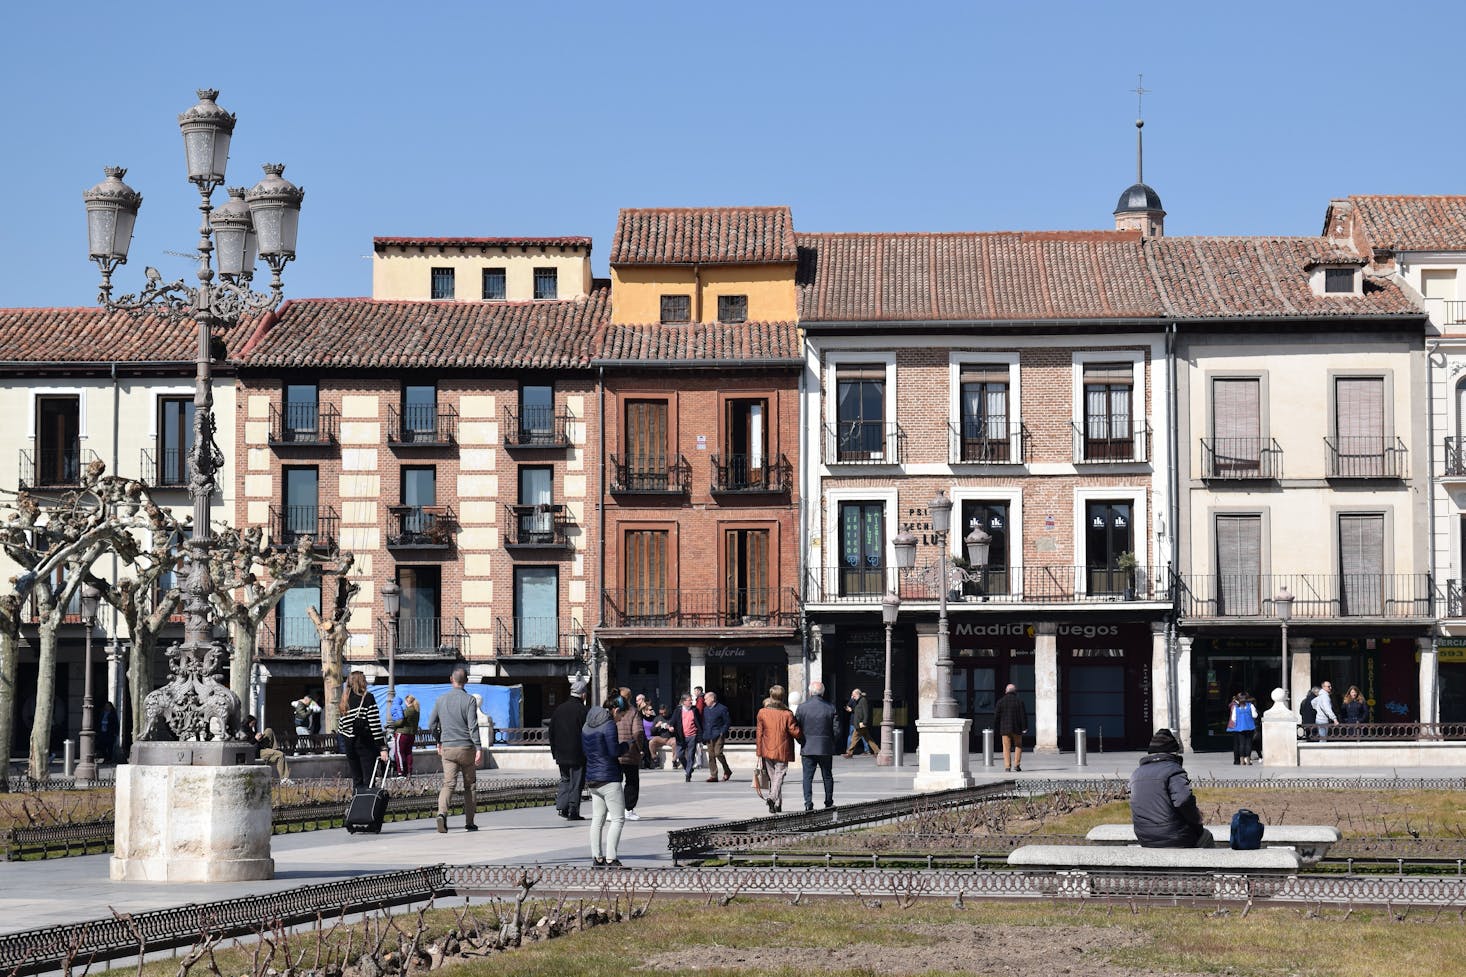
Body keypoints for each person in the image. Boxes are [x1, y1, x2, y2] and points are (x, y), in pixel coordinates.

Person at [1129, 728, 1212, 848]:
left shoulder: (1136, 774)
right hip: (1174, 836)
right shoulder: (1174, 770)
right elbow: (1183, 800)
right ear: (1173, 753)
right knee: (1207, 837)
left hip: (1144, 837)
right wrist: (1197, 819)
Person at [429, 668, 482, 833]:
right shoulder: (470, 700)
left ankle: (442, 814)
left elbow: (431, 724)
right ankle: (470, 822)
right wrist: (478, 747)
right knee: (470, 786)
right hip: (466, 748)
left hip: (448, 748)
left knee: (449, 784)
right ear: (466, 680)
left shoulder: (440, 700)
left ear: (451, 679)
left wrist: (439, 741)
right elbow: (472, 725)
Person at [582, 694, 629, 868]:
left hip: (593, 777)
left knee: (597, 819)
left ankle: (597, 858)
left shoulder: (587, 724)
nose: (620, 719)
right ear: (615, 710)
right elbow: (614, 751)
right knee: (618, 819)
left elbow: (586, 750)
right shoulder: (609, 724)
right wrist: (626, 745)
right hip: (609, 777)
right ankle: (611, 858)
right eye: (621, 715)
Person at [755, 684, 801, 814]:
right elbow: (794, 731)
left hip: (767, 748)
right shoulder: (787, 714)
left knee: (774, 777)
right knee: (779, 775)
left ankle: (777, 803)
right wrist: (803, 735)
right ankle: (772, 798)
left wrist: (759, 750)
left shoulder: (762, 712)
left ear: (771, 696)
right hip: (783, 748)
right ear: (783, 697)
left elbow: (759, 732)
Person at [337, 672, 388, 789]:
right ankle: (368, 805)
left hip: (349, 745)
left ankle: (357, 804)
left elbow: (341, 726)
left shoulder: (345, 700)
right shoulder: (367, 698)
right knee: (369, 779)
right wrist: (382, 747)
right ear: (362, 682)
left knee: (357, 779)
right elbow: (375, 725)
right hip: (365, 743)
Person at [793, 680, 839, 811]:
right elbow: (836, 730)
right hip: (825, 747)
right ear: (823, 693)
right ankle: (829, 801)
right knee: (827, 776)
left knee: (807, 777)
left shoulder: (802, 707)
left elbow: (797, 728)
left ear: (810, 692)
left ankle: (808, 802)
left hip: (808, 747)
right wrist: (831, 742)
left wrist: (802, 741)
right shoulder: (831, 707)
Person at [549, 678, 590, 820]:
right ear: (583, 694)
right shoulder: (583, 711)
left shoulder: (559, 710)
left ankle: (562, 807)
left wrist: (555, 752)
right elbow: (587, 733)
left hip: (561, 754)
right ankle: (573, 810)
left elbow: (551, 733)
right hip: (578, 754)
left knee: (565, 780)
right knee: (576, 783)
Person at [615, 687, 646, 820]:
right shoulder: (633, 712)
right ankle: (628, 809)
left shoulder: (612, 711)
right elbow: (637, 732)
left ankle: (613, 810)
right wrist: (640, 748)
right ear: (630, 697)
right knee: (632, 781)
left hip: (614, 751)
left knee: (614, 782)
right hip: (630, 751)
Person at [993, 683, 1028, 772]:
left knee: (1006, 747)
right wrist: (1024, 727)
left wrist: (996, 726)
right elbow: (1023, 716)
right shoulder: (1019, 701)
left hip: (1004, 729)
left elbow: (996, 716)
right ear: (1015, 692)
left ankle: (1007, 766)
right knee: (1018, 745)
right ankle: (1016, 765)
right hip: (1017, 728)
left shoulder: (1001, 701)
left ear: (1006, 691)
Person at [701, 691, 733, 782]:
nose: (704, 701)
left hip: (718, 734)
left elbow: (727, 722)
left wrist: (722, 732)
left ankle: (727, 770)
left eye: (706, 699)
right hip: (708, 735)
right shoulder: (706, 709)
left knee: (718, 753)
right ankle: (714, 775)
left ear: (712, 698)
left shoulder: (722, 708)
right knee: (711, 756)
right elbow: (705, 722)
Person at [248, 717, 291, 784]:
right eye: (252, 723)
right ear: (248, 722)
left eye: (255, 723)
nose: (254, 725)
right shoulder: (244, 731)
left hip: (260, 746)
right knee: (280, 755)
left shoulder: (252, 729)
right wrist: (255, 739)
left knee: (268, 730)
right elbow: (247, 745)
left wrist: (259, 737)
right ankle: (284, 779)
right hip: (256, 752)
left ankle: (274, 750)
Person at [670, 693, 701, 781]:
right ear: (684, 702)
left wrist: (699, 735)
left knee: (691, 755)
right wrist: (671, 726)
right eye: (689, 700)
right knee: (680, 754)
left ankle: (688, 774)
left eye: (692, 700)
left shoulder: (694, 710)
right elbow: (673, 721)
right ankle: (689, 768)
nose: (691, 701)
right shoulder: (678, 710)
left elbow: (699, 723)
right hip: (681, 736)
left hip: (692, 736)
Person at [843, 688, 878, 758]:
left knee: (854, 738)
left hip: (860, 724)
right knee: (868, 739)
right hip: (859, 724)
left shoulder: (863, 701)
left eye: (854, 696)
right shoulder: (858, 701)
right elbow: (857, 711)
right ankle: (877, 751)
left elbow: (865, 712)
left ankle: (849, 752)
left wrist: (864, 722)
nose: (853, 698)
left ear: (858, 695)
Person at [392, 694, 420, 777]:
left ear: (407, 701)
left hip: (402, 733)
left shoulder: (407, 711)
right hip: (411, 734)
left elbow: (400, 721)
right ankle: (409, 771)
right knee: (408, 753)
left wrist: (393, 724)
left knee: (399, 753)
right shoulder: (416, 711)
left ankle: (401, 772)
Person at [1227, 691, 1258, 765]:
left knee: (1241, 744)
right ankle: (1247, 759)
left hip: (1239, 727)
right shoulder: (1250, 706)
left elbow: (1233, 718)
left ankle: (1241, 760)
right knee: (1249, 744)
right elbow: (1255, 715)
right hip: (1250, 727)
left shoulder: (1236, 708)